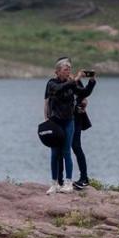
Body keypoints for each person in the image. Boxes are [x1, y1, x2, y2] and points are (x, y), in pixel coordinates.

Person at [43, 56, 95, 193]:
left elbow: (83, 93)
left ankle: (68, 182)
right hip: (55, 122)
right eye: (66, 69)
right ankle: (55, 182)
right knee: (55, 153)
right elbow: (59, 90)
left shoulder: (72, 82)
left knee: (68, 151)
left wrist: (91, 82)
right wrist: (45, 118)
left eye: (70, 69)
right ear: (58, 71)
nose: (69, 71)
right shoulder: (51, 83)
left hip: (69, 121)